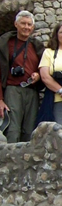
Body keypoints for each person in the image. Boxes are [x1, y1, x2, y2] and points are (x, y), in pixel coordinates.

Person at [0, 10, 44, 143]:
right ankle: (9, 161)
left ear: (33, 27)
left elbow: (45, 69)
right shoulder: (5, 45)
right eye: (23, 23)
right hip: (12, 91)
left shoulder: (37, 47)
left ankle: (26, 161)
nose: (26, 27)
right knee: (12, 129)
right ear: (16, 24)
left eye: (29, 24)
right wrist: (0, 99)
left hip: (32, 91)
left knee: (30, 130)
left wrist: (38, 75)